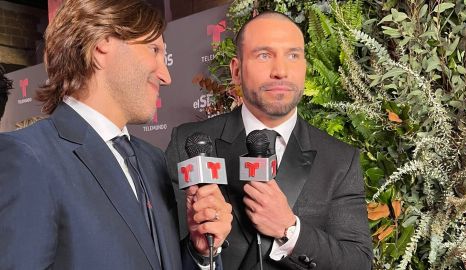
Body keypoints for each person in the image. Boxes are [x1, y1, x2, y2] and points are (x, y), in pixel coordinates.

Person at [0, 0, 232, 269]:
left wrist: (200, 253)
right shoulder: (26, 158)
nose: (166, 75)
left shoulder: (152, 160)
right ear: (101, 45)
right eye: (154, 49)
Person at [166, 11, 373, 269]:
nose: (281, 71)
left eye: (293, 55)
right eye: (264, 55)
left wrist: (289, 230)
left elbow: (357, 263)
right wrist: (202, 252)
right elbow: (164, 255)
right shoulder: (189, 144)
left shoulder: (340, 159)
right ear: (237, 71)